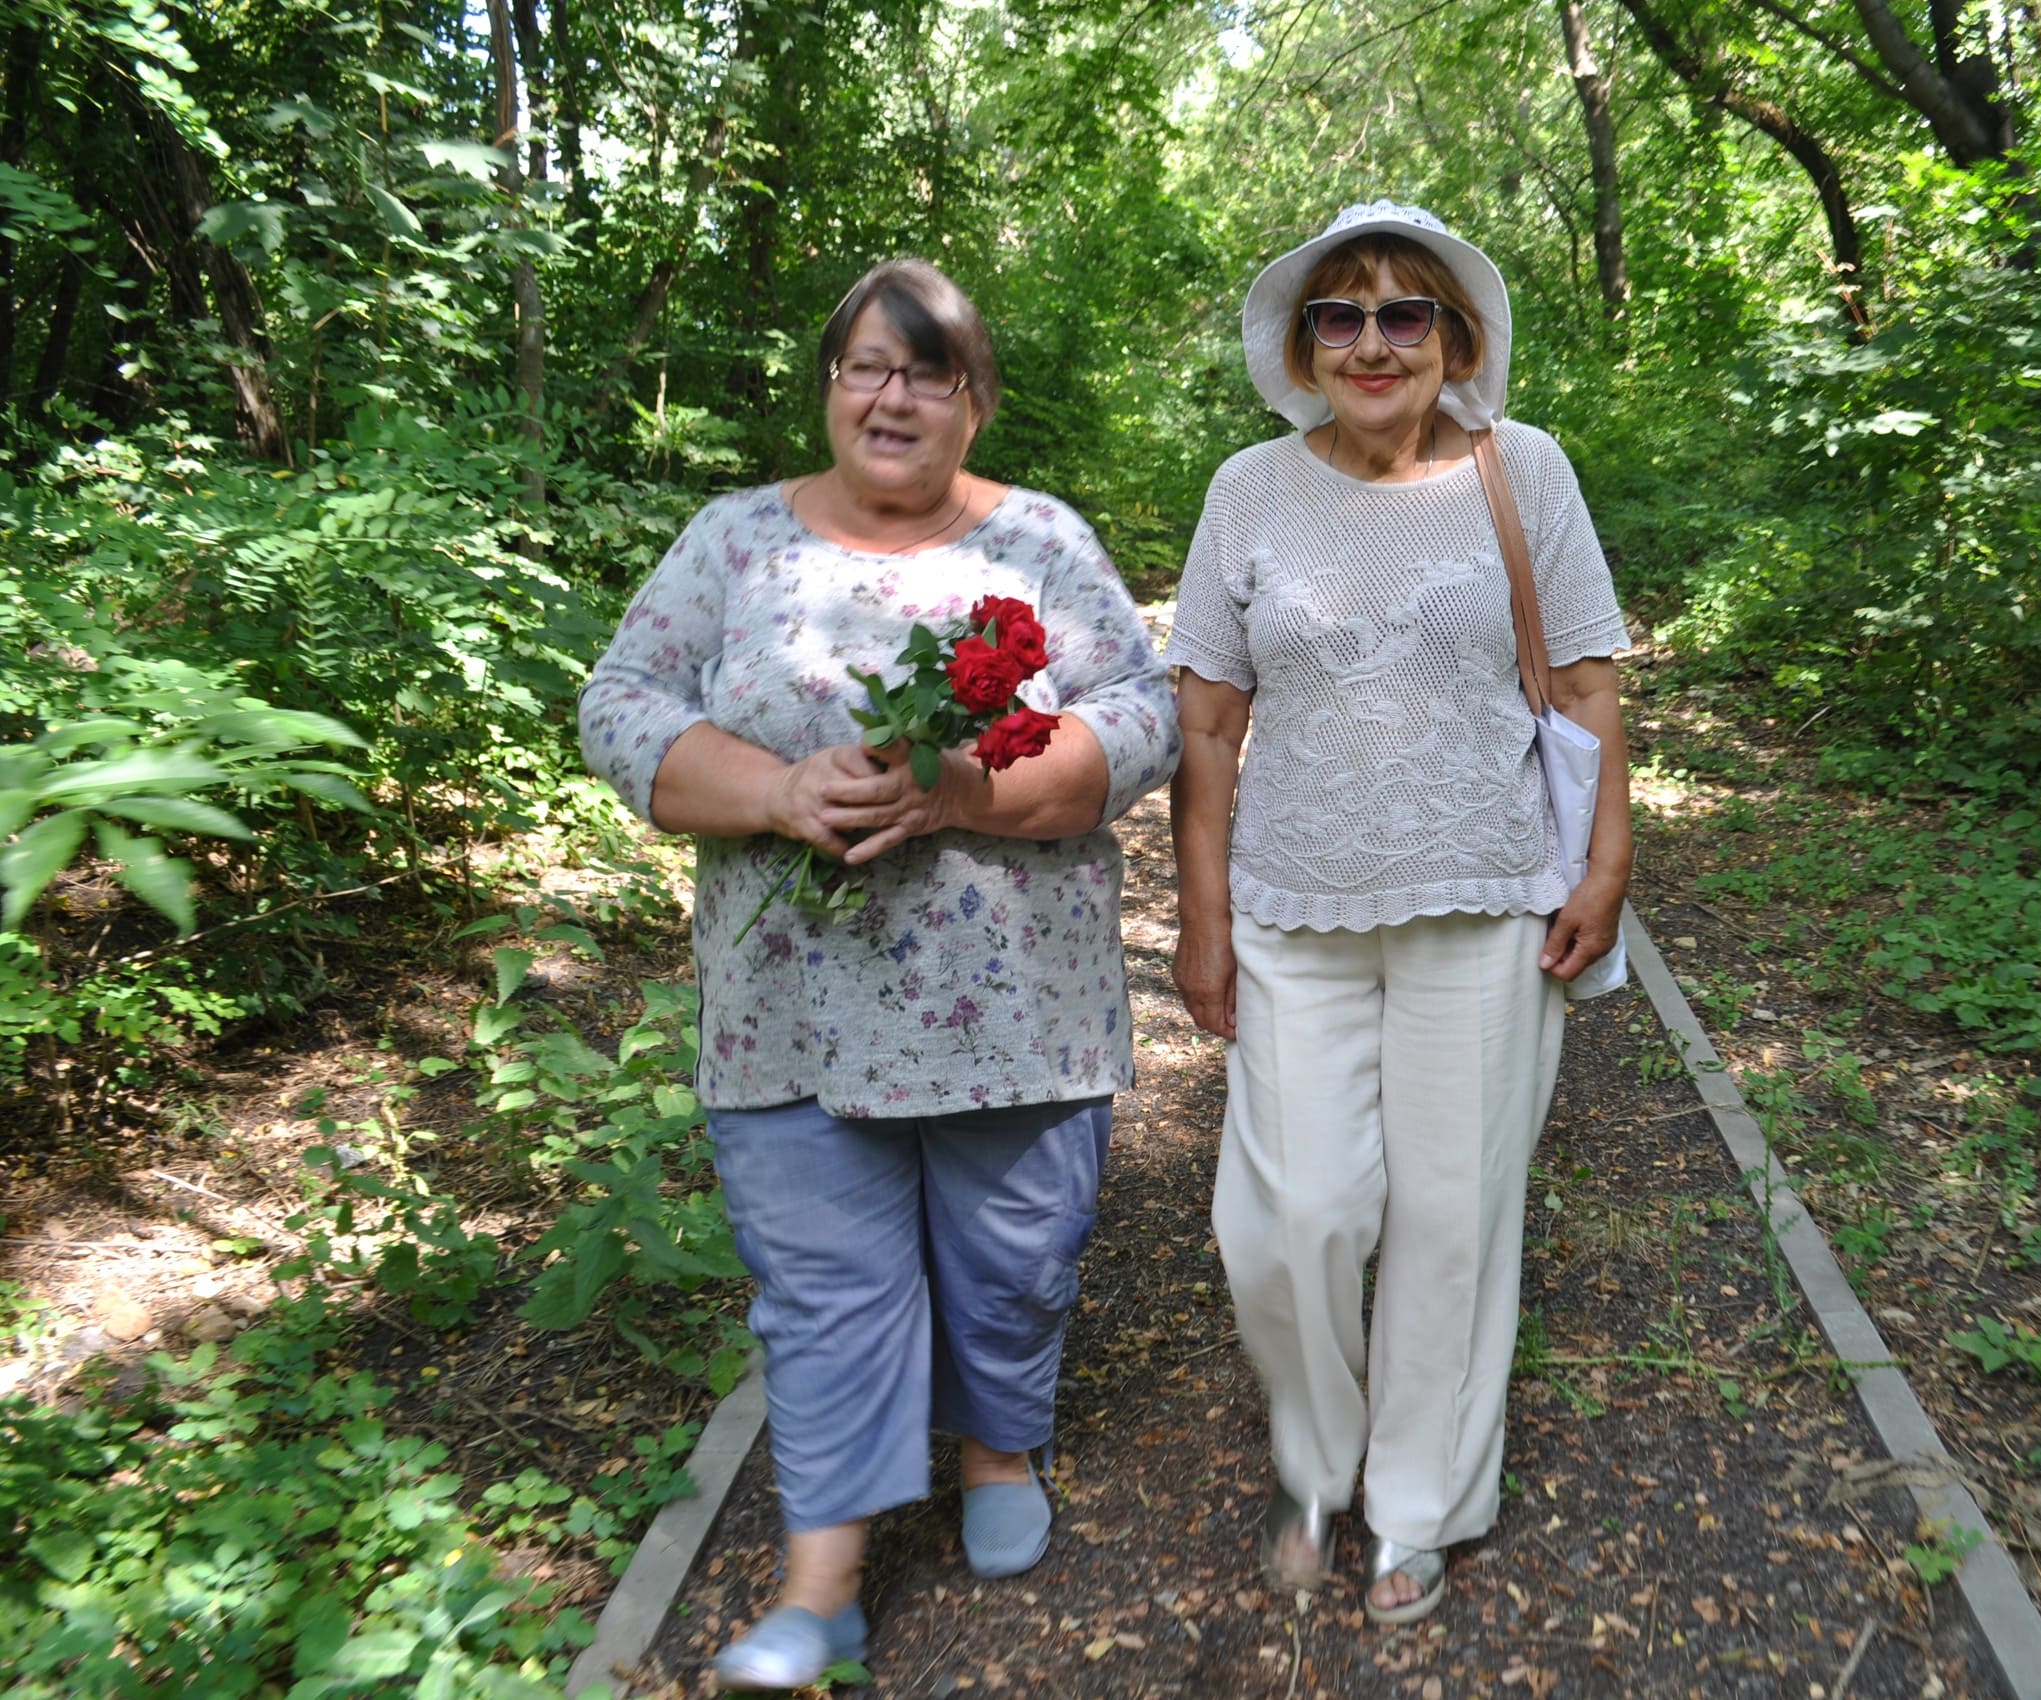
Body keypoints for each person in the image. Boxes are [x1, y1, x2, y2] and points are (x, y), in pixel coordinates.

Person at [579, 259, 1179, 1690]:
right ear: (832, 385)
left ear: (974, 402)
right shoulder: (733, 542)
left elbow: (1141, 719)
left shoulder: (1038, 541)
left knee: (1014, 1261)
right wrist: (783, 795)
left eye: (926, 371)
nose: (890, 394)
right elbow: (619, 707)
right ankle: (822, 1587)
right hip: (791, 1011)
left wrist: (965, 795)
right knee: (823, 1287)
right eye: (864, 365)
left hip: (1016, 1017)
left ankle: (998, 1447)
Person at [1163, 202, 1632, 1625]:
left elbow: (1591, 683)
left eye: (1404, 313)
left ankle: (1417, 1506)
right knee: (1289, 1216)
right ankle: (1318, 1462)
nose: (1373, 342)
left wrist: (1605, 863)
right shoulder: (1248, 488)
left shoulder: (1523, 470)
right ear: (1302, 348)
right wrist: (1197, 914)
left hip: (1483, 894)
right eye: (1341, 316)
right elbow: (1204, 722)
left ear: (1457, 337)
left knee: (1453, 1212)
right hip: (1294, 905)